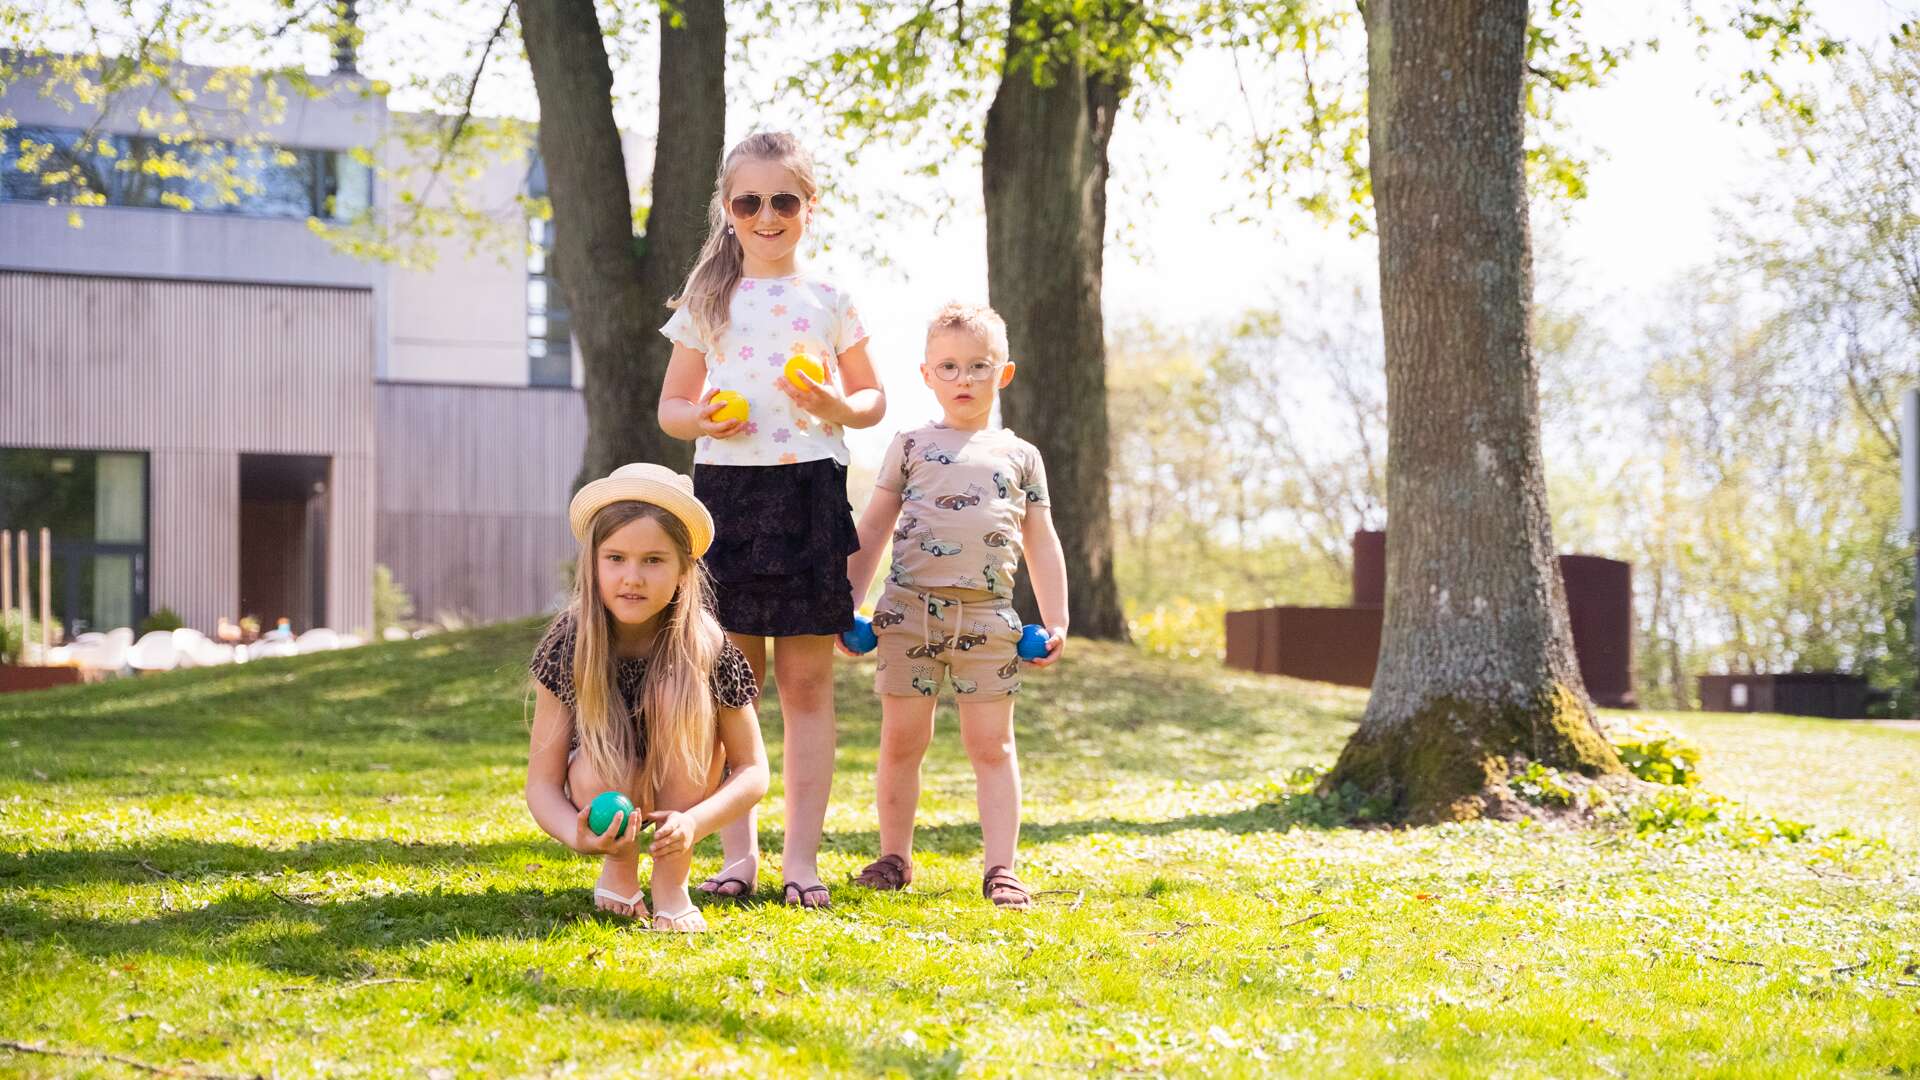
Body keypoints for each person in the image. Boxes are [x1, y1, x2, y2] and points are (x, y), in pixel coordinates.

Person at [657, 131, 887, 909]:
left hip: (809, 495)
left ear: (809, 207)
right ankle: (737, 858)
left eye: (782, 200)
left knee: (807, 685)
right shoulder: (706, 302)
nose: (766, 215)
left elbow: (872, 399)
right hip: (725, 500)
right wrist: (701, 421)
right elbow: (671, 407)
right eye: (748, 201)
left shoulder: (831, 300)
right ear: (727, 210)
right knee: (732, 683)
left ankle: (802, 862)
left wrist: (835, 404)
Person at [842, 302, 1067, 909]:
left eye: (978, 366)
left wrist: (1057, 618)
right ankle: (893, 857)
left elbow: (1041, 541)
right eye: (948, 367)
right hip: (908, 613)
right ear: (927, 374)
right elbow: (873, 527)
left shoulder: (1022, 456)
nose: (963, 378)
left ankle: (1002, 869)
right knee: (901, 742)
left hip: (990, 618)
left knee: (993, 747)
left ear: (1004, 373)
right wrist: (847, 602)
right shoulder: (910, 445)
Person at [525, 464, 770, 931]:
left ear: (683, 570)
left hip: (686, 778)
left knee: (672, 689)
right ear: (593, 563)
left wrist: (695, 822)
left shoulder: (706, 644)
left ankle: (671, 882)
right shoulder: (571, 642)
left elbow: (753, 770)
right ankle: (619, 869)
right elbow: (541, 783)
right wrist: (576, 836)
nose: (632, 577)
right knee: (604, 759)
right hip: (599, 775)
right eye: (616, 558)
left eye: (653, 560)